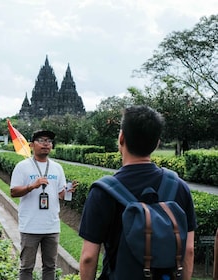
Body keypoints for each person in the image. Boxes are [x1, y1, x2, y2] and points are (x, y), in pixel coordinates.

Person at [78, 105, 197, 280]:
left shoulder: (103, 191)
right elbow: (189, 250)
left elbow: (88, 257)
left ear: (121, 137)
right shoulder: (179, 187)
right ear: (157, 143)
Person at [10, 129, 76, 280]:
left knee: (50, 267)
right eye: (42, 140)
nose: (46, 144)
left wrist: (67, 191)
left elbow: (59, 194)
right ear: (32, 145)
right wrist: (32, 186)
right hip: (30, 226)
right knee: (26, 267)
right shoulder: (22, 166)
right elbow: (13, 192)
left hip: (51, 226)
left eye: (49, 141)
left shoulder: (57, 168)